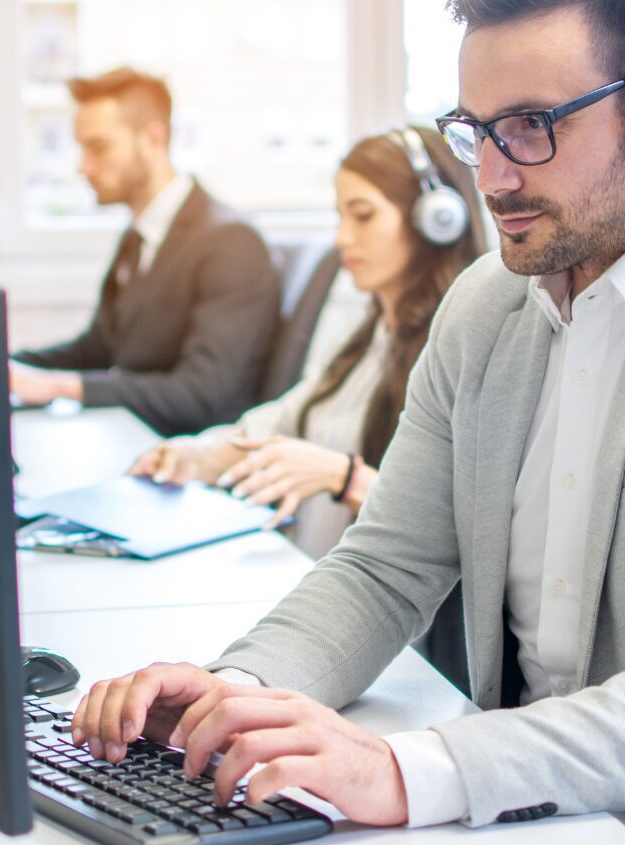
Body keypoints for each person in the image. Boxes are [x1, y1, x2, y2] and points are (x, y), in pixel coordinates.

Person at [72, 2, 625, 845]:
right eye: (474, 129)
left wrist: (402, 768)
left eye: (530, 127)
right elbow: (386, 566)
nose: (490, 178)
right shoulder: (487, 307)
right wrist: (237, 693)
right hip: (542, 811)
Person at [129, 126, 487, 558]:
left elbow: (457, 531)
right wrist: (194, 456)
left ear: (435, 221)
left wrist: (344, 478)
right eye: (340, 217)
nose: (342, 239)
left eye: (363, 215)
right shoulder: (366, 340)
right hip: (307, 579)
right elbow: (280, 424)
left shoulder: (461, 352)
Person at [9, 68, 281, 436]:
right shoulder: (137, 237)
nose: (83, 166)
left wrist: (59, 386)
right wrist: (5, 364)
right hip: (131, 437)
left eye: (98, 147)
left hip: (184, 457)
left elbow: (202, 396)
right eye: (81, 148)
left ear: (153, 140)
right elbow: (99, 346)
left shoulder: (231, 242)